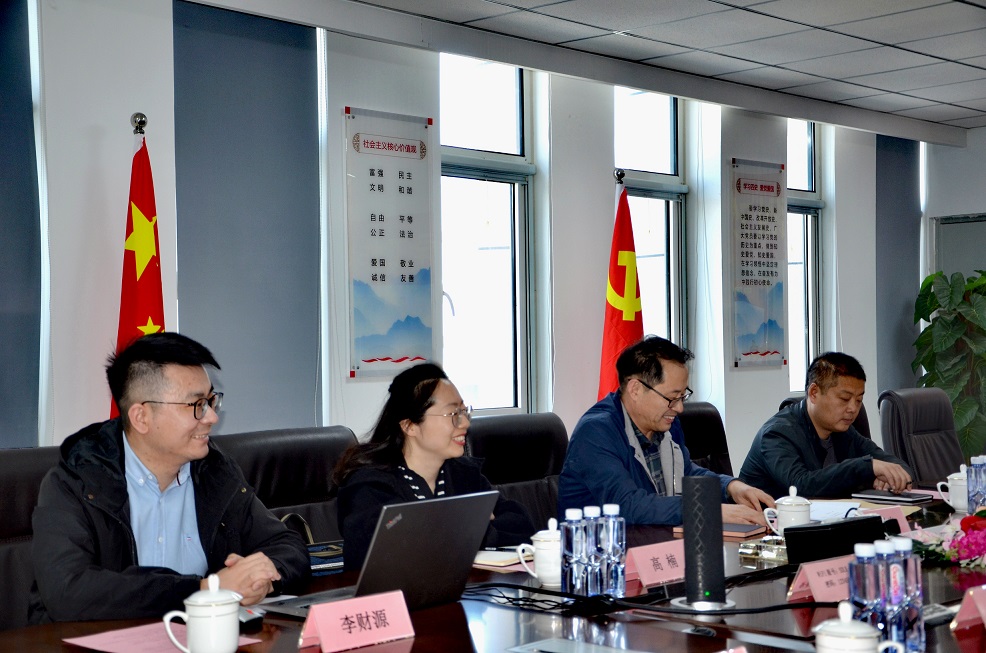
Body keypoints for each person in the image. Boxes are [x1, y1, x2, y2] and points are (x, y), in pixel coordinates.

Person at [28, 333, 309, 624]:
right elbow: (68, 592)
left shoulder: (215, 473)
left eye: (211, 401)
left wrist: (264, 577)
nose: (211, 417)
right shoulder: (77, 483)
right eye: (196, 405)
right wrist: (205, 590)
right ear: (142, 417)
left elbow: (288, 546)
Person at [334, 362, 535, 572]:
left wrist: (469, 531)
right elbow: (394, 549)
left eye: (464, 411)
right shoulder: (370, 485)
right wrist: (475, 526)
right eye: (453, 414)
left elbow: (521, 525)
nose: (465, 423)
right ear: (410, 426)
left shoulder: (463, 474)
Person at [558, 336, 774, 526]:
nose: (679, 408)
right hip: (599, 553)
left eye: (682, 396)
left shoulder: (666, 423)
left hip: (657, 546)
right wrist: (707, 509)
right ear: (635, 389)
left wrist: (731, 487)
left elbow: (686, 473)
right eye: (672, 397)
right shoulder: (596, 433)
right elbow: (628, 505)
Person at [739, 352, 913, 499]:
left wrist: (889, 475)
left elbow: (897, 466)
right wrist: (866, 468)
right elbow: (800, 486)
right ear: (814, 393)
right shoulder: (777, 434)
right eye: (845, 399)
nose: (853, 409)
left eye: (859, 400)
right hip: (767, 524)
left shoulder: (843, 431)